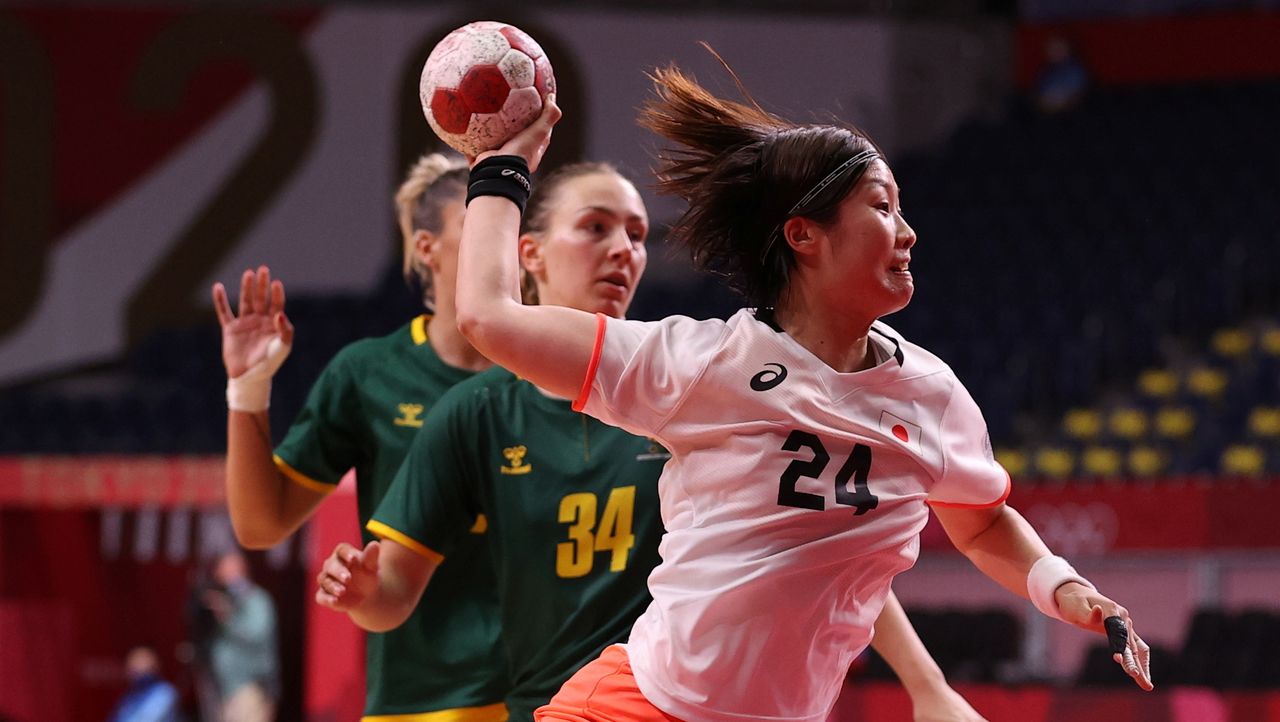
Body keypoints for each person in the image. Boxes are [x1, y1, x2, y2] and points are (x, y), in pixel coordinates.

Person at [447, 53, 1153, 722]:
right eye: (882, 207)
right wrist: (502, 169)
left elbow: (982, 520)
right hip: (639, 705)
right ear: (805, 236)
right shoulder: (702, 363)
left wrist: (1064, 588)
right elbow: (487, 316)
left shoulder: (931, 395)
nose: (906, 233)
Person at [315, 162, 988, 722]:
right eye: (596, 227)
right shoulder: (476, 413)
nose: (624, 250)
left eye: (638, 234)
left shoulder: (704, 386)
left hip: (691, 702)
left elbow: (831, 547)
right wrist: (363, 589)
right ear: (530, 253)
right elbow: (391, 598)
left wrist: (927, 685)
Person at [210, 154, 508, 720]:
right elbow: (259, 523)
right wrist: (248, 388)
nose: (502, 246)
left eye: (512, 228)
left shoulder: (556, 370)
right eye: (479, 230)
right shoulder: (370, 373)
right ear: (427, 248)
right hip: (420, 703)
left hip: (549, 698)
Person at [201, 551, 279, 722]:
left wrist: (228, 617)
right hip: (223, 689)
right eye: (224, 568)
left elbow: (257, 634)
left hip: (250, 687)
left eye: (234, 567)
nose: (229, 573)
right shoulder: (220, 599)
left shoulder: (257, 600)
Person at [107, 646, 180, 722]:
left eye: (139, 663)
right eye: (131, 664)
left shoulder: (164, 692)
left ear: (154, 665)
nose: (133, 669)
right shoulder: (131, 695)